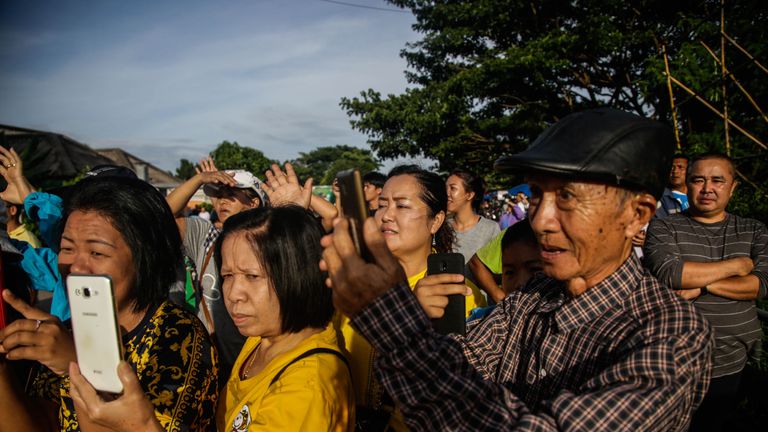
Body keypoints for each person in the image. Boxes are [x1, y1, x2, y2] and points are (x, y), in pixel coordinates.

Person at [320, 108, 712, 431]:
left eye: (568, 198)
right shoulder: (532, 296)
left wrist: (393, 319)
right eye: (538, 194)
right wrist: (414, 318)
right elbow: (464, 360)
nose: (541, 220)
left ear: (636, 215)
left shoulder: (671, 334)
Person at [68, 206, 355, 432]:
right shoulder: (264, 337)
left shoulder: (307, 389)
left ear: (298, 274)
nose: (233, 294)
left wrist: (143, 425)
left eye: (252, 276)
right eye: (228, 276)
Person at [0, 176, 218, 431]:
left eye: (97, 252)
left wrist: (78, 366)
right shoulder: (64, 331)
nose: (77, 267)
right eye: (67, 249)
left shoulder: (176, 335)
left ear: (145, 259)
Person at [335, 164, 486, 430]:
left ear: (436, 221)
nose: (386, 216)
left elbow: (458, 388)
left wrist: (412, 319)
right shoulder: (354, 280)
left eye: (402, 206)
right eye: (382, 204)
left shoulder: (457, 292)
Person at [643, 153, 767, 431]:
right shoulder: (664, 226)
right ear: (687, 185)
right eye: (698, 180)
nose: (707, 188)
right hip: (674, 360)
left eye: (717, 180)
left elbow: (760, 286)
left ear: (732, 187)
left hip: (734, 358)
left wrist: (701, 284)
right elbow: (672, 274)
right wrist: (737, 266)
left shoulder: (754, 230)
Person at [165, 157, 267, 382]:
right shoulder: (206, 237)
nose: (222, 201)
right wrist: (199, 180)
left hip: (254, 360)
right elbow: (164, 214)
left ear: (253, 203)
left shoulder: (270, 244)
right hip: (208, 362)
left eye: (231, 195)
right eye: (218, 195)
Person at [446, 169, 500, 264]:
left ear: (469, 195)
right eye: (445, 188)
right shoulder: (442, 227)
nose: (447, 193)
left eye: (452, 188)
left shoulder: (490, 229)